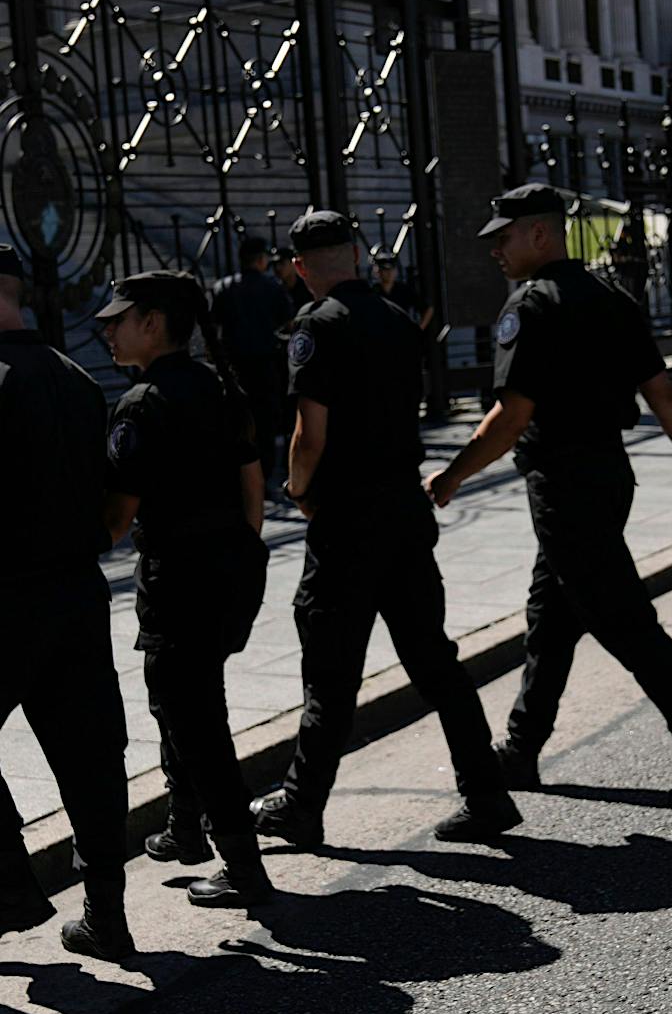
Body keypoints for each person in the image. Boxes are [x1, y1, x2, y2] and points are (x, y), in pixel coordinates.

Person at [425, 184, 672, 808]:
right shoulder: (611, 296)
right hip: (607, 477)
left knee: (625, 623)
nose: (495, 249)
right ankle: (522, 749)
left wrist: (452, 476)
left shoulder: (531, 306)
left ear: (539, 234)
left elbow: (510, 417)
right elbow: (662, 395)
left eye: (504, 237)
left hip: (565, 487)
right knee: (551, 617)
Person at [249, 208, 522, 848]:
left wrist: (297, 489)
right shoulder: (399, 320)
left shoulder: (315, 327)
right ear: (356, 253)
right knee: (435, 661)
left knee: (331, 672)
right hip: (403, 511)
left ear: (300, 267)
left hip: (347, 520)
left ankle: (302, 805)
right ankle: (486, 792)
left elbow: (309, 434)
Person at [96, 270, 272, 912]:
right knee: (182, 704)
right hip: (228, 572)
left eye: (118, 320)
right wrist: (240, 556)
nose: (107, 331)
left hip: (179, 582)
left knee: (195, 722)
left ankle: (244, 867)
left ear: (152, 323)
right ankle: (184, 827)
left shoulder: (142, 405)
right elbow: (253, 486)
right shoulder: (218, 386)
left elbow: (116, 520)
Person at [0, 242, 132, 963]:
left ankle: (10, 891)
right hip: (76, 591)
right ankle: (105, 913)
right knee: (91, 755)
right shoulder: (77, 377)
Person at [208, 235, 292, 481]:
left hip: (234, 369)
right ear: (261, 259)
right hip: (265, 367)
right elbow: (287, 323)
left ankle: (239, 476)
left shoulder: (224, 288)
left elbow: (213, 328)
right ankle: (263, 475)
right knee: (265, 425)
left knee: (236, 424)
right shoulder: (272, 288)